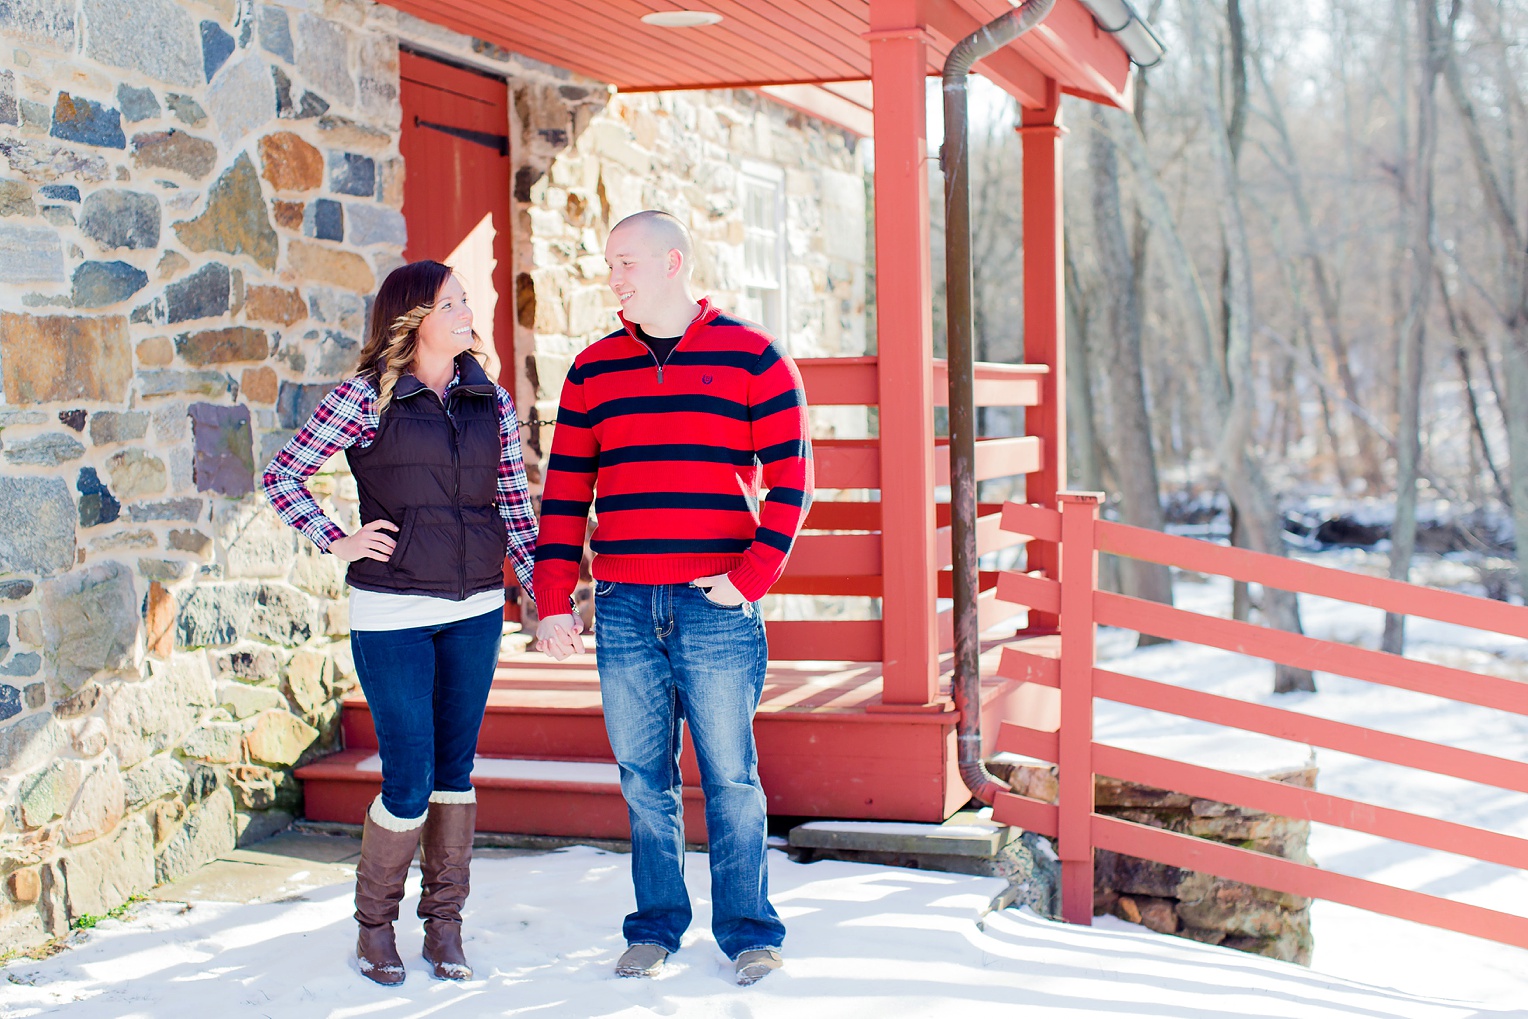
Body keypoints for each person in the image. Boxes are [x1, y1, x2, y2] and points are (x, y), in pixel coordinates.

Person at [532, 210, 813, 986]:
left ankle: (750, 932)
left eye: (626, 261)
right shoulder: (592, 370)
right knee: (642, 778)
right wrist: (554, 595)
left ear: (673, 262)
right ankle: (654, 926)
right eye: (610, 262)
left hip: (714, 605)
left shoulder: (755, 357)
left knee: (730, 775)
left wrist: (748, 579)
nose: (613, 275)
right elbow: (563, 497)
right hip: (623, 603)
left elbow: (794, 480)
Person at [262, 260, 536, 985]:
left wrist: (543, 598)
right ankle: (373, 926)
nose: (467, 311)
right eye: (451, 302)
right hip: (392, 614)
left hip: (475, 608)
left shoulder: (492, 401)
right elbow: (282, 474)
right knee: (409, 774)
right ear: (413, 319)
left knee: (454, 770)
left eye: (465, 299)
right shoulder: (365, 397)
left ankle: (443, 927)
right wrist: (337, 538)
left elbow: (516, 507)